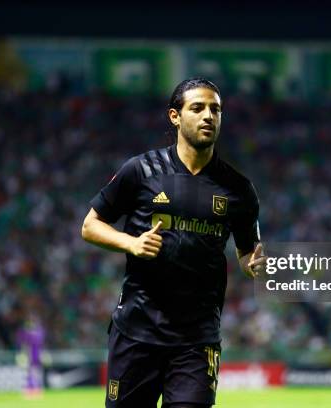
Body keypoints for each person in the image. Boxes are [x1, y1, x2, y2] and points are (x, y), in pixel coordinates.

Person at [82, 78, 266, 408]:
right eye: (197, 108)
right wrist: (131, 243)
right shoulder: (140, 171)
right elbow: (90, 226)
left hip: (197, 341)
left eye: (216, 109)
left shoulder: (239, 189)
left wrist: (254, 264)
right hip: (137, 333)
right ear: (175, 116)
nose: (208, 116)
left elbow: (247, 252)